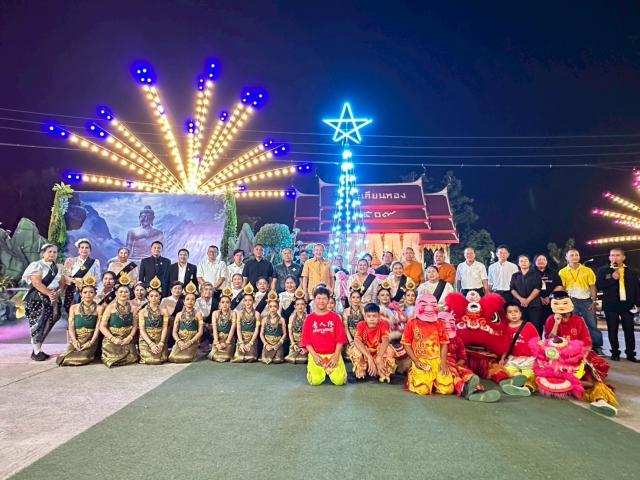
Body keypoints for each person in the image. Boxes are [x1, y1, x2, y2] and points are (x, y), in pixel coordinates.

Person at [544, 291, 618, 416]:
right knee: (546, 375)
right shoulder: (551, 319)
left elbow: (587, 342)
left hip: (579, 354)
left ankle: (600, 400)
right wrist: (556, 323)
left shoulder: (578, 320)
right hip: (559, 356)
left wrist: (582, 357)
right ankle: (571, 384)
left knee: (592, 376)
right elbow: (549, 341)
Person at [438, 311, 500, 402]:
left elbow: (463, 358)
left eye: (451, 323)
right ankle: (466, 390)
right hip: (441, 364)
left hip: (456, 364)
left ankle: (476, 391)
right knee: (453, 374)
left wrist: (457, 366)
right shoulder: (434, 338)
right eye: (443, 323)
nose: (447, 326)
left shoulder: (457, 339)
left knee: (467, 372)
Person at [401, 294, 454, 396]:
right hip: (421, 360)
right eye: (424, 305)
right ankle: (413, 376)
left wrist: (443, 362)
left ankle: (433, 382)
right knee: (423, 390)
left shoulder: (439, 323)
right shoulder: (412, 323)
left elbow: (444, 344)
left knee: (447, 390)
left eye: (433, 305)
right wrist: (415, 361)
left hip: (437, 360)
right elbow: (406, 344)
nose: (429, 308)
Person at [22, 243, 66, 361]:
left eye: (54, 252)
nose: (52, 254)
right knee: (37, 322)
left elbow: (62, 283)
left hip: (54, 297)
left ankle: (38, 348)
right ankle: (36, 351)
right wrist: (49, 293)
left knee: (51, 319)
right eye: (49, 251)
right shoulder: (37, 265)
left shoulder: (59, 267)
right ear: (43, 253)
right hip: (38, 298)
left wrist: (58, 292)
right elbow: (36, 283)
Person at [596, 247, 639, 362]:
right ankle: (615, 353)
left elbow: (636, 288)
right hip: (611, 306)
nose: (614, 257)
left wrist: (637, 304)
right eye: (612, 255)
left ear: (623, 257)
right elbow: (599, 285)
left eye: (617, 255)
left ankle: (630, 354)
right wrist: (612, 278)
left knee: (629, 331)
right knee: (612, 330)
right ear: (609, 257)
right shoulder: (603, 270)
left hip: (628, 305)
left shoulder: (631, 271)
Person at [301, 286, 348, 386]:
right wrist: (314, 356)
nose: (321, 301)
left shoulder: (335, 317)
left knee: (339, 381)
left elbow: (340, 339)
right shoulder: (309, 319)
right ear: (314, 300)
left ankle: (329, 371)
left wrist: (336, 356)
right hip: (317, 355)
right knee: (315, 381)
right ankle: (321, 370)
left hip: (333, 354)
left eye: (324, 298)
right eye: (318, 298)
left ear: (328, 300)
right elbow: (306, 341)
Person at [558, 249, 603, 354]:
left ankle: (597, 347)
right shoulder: (562, 272)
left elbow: (592, 287)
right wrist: (564, 303)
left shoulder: (588, 270)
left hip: (586, 301)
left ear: (579, 256)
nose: (574, 257)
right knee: (571, 325)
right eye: (572, 255)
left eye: (576, 255)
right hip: (571, 301)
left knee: (592, 325)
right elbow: (562, 288)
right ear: (566, 258)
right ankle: (573, 346)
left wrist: (594, 301)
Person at [56, 275, 102, 366]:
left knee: (82, 358)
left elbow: (98, 327)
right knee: (63, 359)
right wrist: (74, 341)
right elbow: (71, 326)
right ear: (81, 294)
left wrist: (91, 342)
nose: (88, 295)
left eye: (91, 292)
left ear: (95, 294)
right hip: (76, 338)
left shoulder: (99, 308)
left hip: (90, 339)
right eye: (85, 292)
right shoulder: (74, 308)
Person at [497, 302, 539, 396]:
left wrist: (539, 359)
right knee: (508, 372)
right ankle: (517, 382)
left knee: (529, 375)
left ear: (520, 313)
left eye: (516, 311)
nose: (513, 314)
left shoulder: (528, 326)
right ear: (506, 315)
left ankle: (527, 388)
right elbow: (505, 346)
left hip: (528, 359)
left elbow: (537, 343)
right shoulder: (505, 328)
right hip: (513, 359)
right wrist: (502, 358)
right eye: (510, 312)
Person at [348, 303, 396, 382]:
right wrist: (369, 357)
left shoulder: (383, 324)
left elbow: (385, 340)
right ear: (365, 317)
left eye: (374, 316)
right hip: (366, 353)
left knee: (389, 349)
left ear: (379, 316)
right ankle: (361, 371)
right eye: (369, 316)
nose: (371, 319)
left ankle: (384, 372)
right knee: (355, 349)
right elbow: (356, 340)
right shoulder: (361, 325)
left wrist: (379, 357)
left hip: (379, 352)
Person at [99, 272, 139, 367]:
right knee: (112, 358)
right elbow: (102, 326)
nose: (123, 294)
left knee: (133, 358)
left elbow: (135, 325)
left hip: (127, 338)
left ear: (129, 293)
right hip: (112, 338)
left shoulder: (133, 308)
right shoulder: (110, 307)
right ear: (116, 293)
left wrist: (129, 337)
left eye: (126, 292)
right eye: (120, 292)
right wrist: (113, 338)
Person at [62, 238, 101, 312]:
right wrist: (75, 281)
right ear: (78, 249)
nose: (84, 250)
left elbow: (98, 277)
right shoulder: (70, 261)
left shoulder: (95, 262)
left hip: (88, 291)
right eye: (82, 247)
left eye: (87, 248)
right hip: (73, 290)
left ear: (90, 250)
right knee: (71, 311)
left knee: (87, 311)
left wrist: (88, 283)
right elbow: (65, 277)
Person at [168, 282, 204, 363]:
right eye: (187, 299)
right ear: (184, 301)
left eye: (192, 299)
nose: (190, 301)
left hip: (192, 341)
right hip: (181, 340)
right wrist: (179, 341)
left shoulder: (198, 314)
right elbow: (174, 332)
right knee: (172, 357)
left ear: (195, 302)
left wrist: (190, 342)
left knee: (185, 358)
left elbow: (200, 332)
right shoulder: (179, 315)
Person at [509, 255, 544, 335]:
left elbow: (538, 288)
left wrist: (528, 300)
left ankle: (536, 341)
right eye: (521, 261)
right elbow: (512, 289)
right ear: (518, 263)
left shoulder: (536, 274)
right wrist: (521, 299)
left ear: (529, 263)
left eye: (526, 260)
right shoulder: (515, 275)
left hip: (534, 305)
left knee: (536, 326)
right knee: (521, 326)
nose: (523, 262)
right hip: (519, 305)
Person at [138, 277, 169, 365]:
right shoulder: (142, 312)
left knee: (162, 359)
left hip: (159, 339)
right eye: (151, 296)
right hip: (146, 340)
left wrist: (161, 343)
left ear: (159, 297)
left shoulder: (164, 311)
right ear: (147, 297)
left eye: (156, 296)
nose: (154, 298)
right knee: (152, 360)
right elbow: (142, 330)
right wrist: (151, 344)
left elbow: (165, 328)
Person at [232, 285, 261, 362]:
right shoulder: (239, 313)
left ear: (254, 301)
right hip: (241, 338)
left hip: (252, 339)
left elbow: (256, 330)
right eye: (245, 300)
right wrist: (241, 342)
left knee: (251, 358)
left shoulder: (257, 314)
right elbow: (238, 329)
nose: (248, 302)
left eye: (250, 300)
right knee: (239, 358)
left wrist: (250, 343)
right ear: (243, 301)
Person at [208, 288, 237, 362]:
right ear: (220, 304)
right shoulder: (215, 313)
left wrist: (227, 342)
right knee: (215, 356)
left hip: (229, 339)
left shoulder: (233, 314)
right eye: (223, 302)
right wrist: (217, 342)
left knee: (225, 357)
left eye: (227, 302)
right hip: (218, 338)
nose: (225, 304)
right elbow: (214, 329)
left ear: (230, 304)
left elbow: (232, 329)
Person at [533, 254, 563, 324]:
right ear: (535, 262)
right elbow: (527, 288)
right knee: (537, 324)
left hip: (551, 302)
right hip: (535, 303)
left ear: (546, 262)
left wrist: (549, 297)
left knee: (551, 323)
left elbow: (559, 286)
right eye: (539, 259)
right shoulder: (530, 273)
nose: (541, 261)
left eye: (544, 259)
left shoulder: (553, 273)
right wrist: (539, 298)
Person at [260, 294, 287, 364]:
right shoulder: (264, 319)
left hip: (277, 344)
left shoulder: (281, 320)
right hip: (268, 343)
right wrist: (266, 344)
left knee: (278, 360)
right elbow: (261, 334)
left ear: (278, 308)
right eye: (270, 306)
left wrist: (279, 343)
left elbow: (284, 334)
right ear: (268, 308)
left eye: (275, 306)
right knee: (265, 360)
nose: (272, 308)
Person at [196, 245, 226, 309]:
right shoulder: (201, 263)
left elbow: (222, 277)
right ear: (207, 253)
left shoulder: (222, 264)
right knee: (202, 309)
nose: (212, 253)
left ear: (217, 253)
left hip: (217, 291)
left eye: (214, 252)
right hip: (204, 291)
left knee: (215, 309)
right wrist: (207, 288)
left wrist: (213, 288)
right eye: (210, 251)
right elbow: (199, 277)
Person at [285, 290, 308, 364]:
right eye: (297, 304)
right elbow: (290, 333)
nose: (300, 306)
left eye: (302, 304)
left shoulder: (308, 317)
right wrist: (293, 344)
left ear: (305, 306)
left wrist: (305, 345)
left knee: (303, 360)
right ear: (294, 306)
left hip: (305, 343)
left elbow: (310, 334)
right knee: (290, 359)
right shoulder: (291, 317)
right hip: (294, 343)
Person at [196, 282, 216, 348]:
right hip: (199, 324)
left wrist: (213, 325)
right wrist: (206, 325)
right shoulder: (196, 301)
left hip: (212, 325)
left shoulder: (216, 302)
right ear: (201, 291)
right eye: (206, 289)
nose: (208, 291)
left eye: (210, 289)